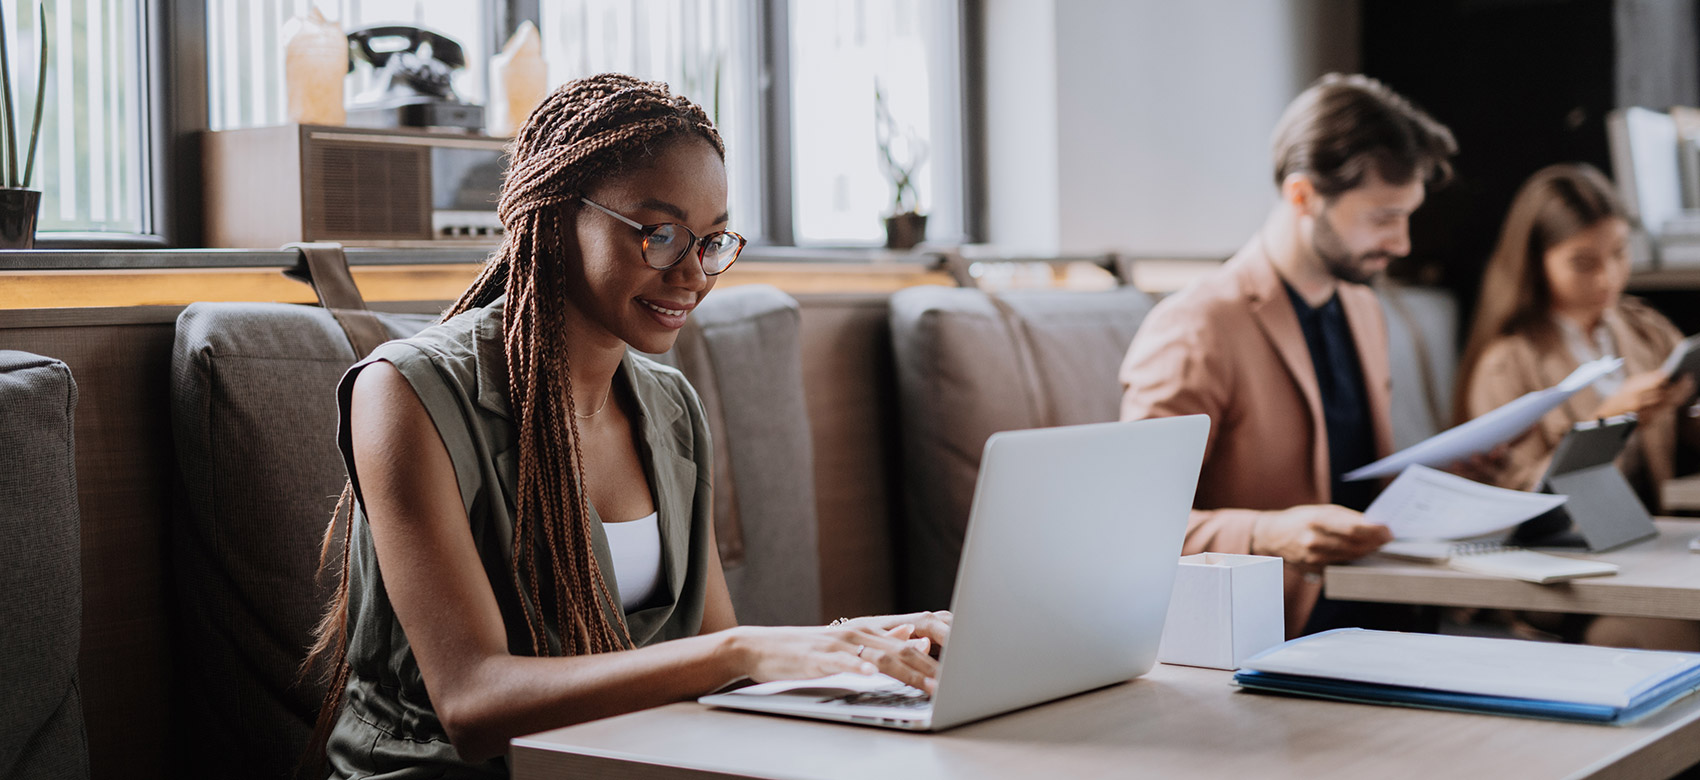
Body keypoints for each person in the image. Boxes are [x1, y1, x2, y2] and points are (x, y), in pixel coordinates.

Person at [300, 74, 950, 778]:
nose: (694, 274)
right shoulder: (405, 393)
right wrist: (743, 652)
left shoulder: (669, 406)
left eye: (711, 240)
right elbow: (472, 704)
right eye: (660, 233)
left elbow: (715, 660)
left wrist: (854, 646)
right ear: (555, 217)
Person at [1119, 73, 1457, 636]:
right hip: (1275, 633)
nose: (1402, 244)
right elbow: (1130, 526)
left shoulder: (1362, 308)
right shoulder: (1199, 325)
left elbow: (1350, 486)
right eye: (1382, 218)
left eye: (1406, 216)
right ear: (1303, 196)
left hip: (1390, 609)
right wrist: (1265, 534)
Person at [1455, 163, 1699, 650]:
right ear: (1537, 261)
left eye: (1619, 253)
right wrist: (1605, 422)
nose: (1609, 276)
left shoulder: (1644, 329)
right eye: (1584, 262)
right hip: (1563, 579)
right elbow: (1516, 507)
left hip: (1641, 554)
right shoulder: (1509, 360)